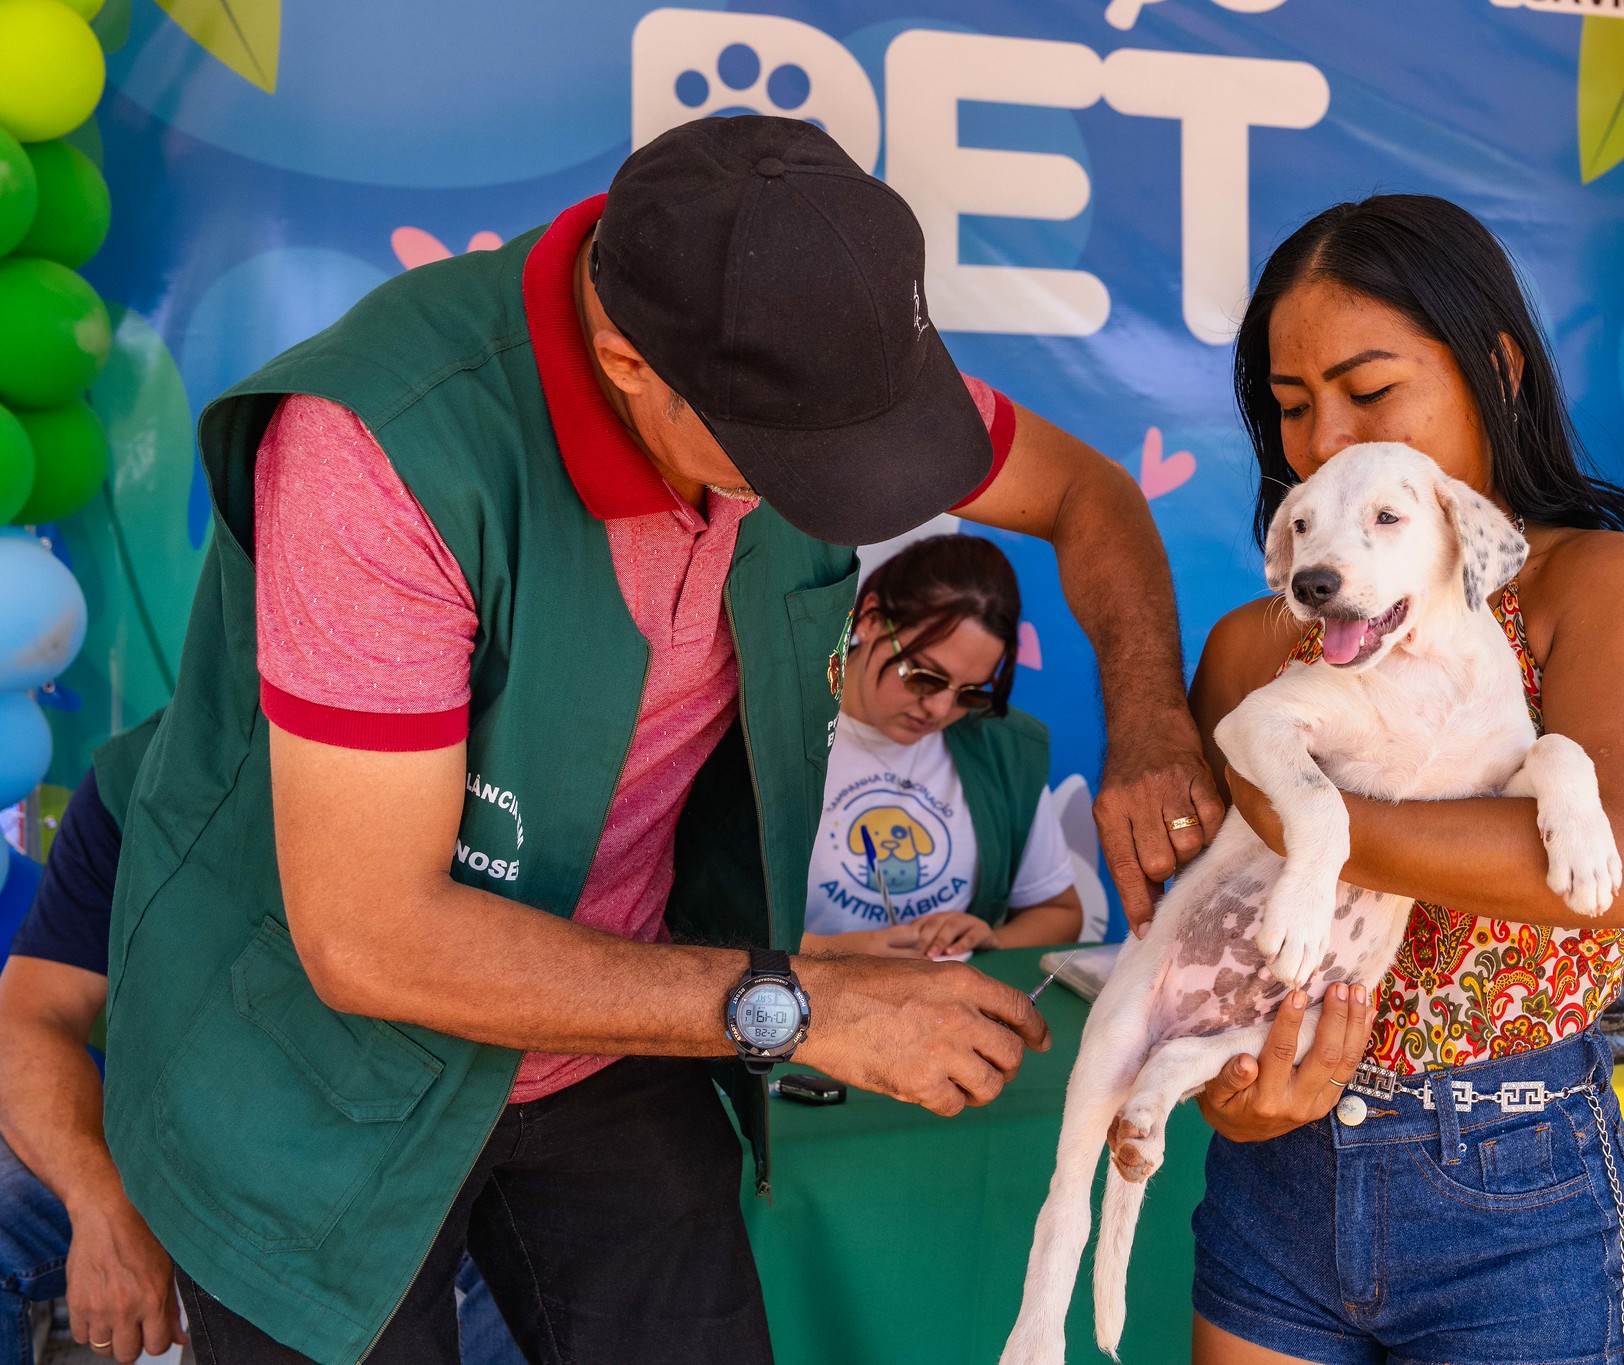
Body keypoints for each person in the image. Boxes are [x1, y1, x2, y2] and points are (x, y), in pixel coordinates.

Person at [102, 115, 1224, 1365]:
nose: (846, 491)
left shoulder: (802, 358)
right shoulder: (378, 450)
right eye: (798, 470)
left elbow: (1088, 496)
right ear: (627, 361)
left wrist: (1148, 723)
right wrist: (802, 1006)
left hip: (611, 1021)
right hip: (312, 1074)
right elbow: (371, 936)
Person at [1169, 196, 1624, 1365]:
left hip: (1509, 1179)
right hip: (1274, 1178)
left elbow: (1612, 875)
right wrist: (1222, 1081)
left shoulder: (1594, 587)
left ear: (1494, 368)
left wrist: (1305, 812)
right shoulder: (1251, 643)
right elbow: (1213, 923)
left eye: (1368, 391)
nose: (1318, 441)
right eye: (1292, 407)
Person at [0, 716, 524, 1365]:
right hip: (169, 1143)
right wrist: (100, 1201)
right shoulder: (142, 774)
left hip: (393, 1158)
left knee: (515, 1288)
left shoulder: (463, 784)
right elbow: (27, 1019)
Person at [801, 535, 1083, 960]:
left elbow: (1060, 912)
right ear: (870, 618)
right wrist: (837, 953)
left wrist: (990, 940)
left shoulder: (998, 747)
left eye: (970, 692)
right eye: (924, 676)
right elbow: (699, 932)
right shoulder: (775, 730)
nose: (940, 708)